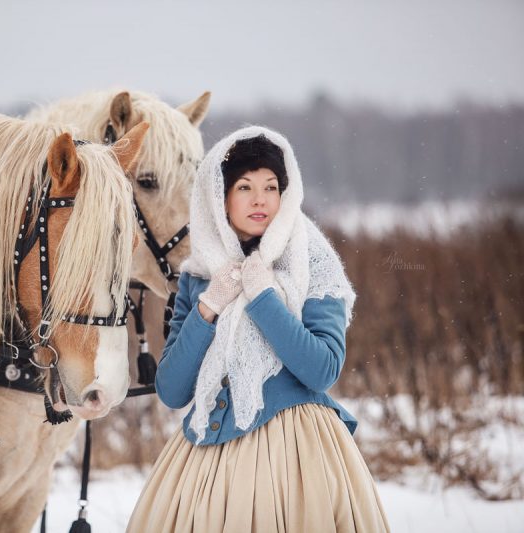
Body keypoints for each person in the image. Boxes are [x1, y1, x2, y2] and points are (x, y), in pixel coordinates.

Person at [127, 126, 390, 532]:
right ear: (220, 198)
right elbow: (173, 390)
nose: (260, 200)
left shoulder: (313, 264)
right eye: (244, 187)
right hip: (204, 462)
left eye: (271, 187)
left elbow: (322, 370)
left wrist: (264, 297)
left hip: (298, 459)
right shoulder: (199, 275)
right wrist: (209, 306)